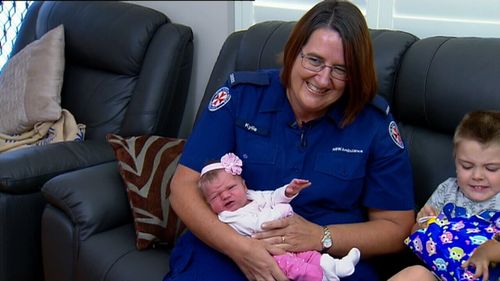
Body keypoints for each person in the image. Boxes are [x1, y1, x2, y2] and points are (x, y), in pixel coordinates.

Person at [166, 0, 415, 280]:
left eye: (340, 70)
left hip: (326, 259)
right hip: (234, 244)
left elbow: (397, 226)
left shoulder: (374, 124)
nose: (322, 80)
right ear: (294, 52)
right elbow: (183, 187)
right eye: (314, 60)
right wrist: (241, 249)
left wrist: (322, 237)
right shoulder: (242, 97)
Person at [198, 152, 361, 281]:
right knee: (295, 267)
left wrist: (286, 192)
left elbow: (271, 196)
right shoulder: (228, 217)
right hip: (268, 253)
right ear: (209, 204)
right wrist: (281, 211)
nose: (225, 196)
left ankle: (336, 266)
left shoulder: (252, 196)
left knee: (310, 254)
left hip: (287, 241)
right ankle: (323, 278)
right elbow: (258, 225)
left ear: (244, 185)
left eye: (231, 187)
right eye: (215, 197)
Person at [388, 111, 500, 281]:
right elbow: (417, 238)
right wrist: (421, 224)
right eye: (467, 166)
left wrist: (491, 250)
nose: (477, 175)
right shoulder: (447, 190)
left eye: (491, 168)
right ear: (455, 161)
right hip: (443, 273)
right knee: (415, 274)